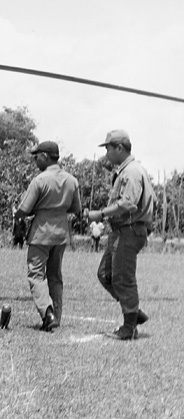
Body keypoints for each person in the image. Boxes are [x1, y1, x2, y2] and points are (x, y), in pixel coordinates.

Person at [87, 130, 155, 340]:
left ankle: (129, 326)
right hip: (121, 230)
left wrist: (101, 213)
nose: (106, 152)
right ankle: (133, 311)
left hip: (129, 229)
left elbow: (128, 203)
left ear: (119, 148)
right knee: (105, 275)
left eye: (107, 147)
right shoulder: (126, 171)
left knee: (123, 278)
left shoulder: (131, 172)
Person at [14, 141, 82, 332]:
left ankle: (47, 312)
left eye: (36, 157)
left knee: (36, 274)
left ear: (45, 156)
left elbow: (23, 210)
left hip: (41, 233)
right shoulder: (71, 180)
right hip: (61, 233)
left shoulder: (40, 180)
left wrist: (21, 212)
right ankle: (56, 317)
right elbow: (76, 209)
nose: (35, 160)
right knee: (55, 275)